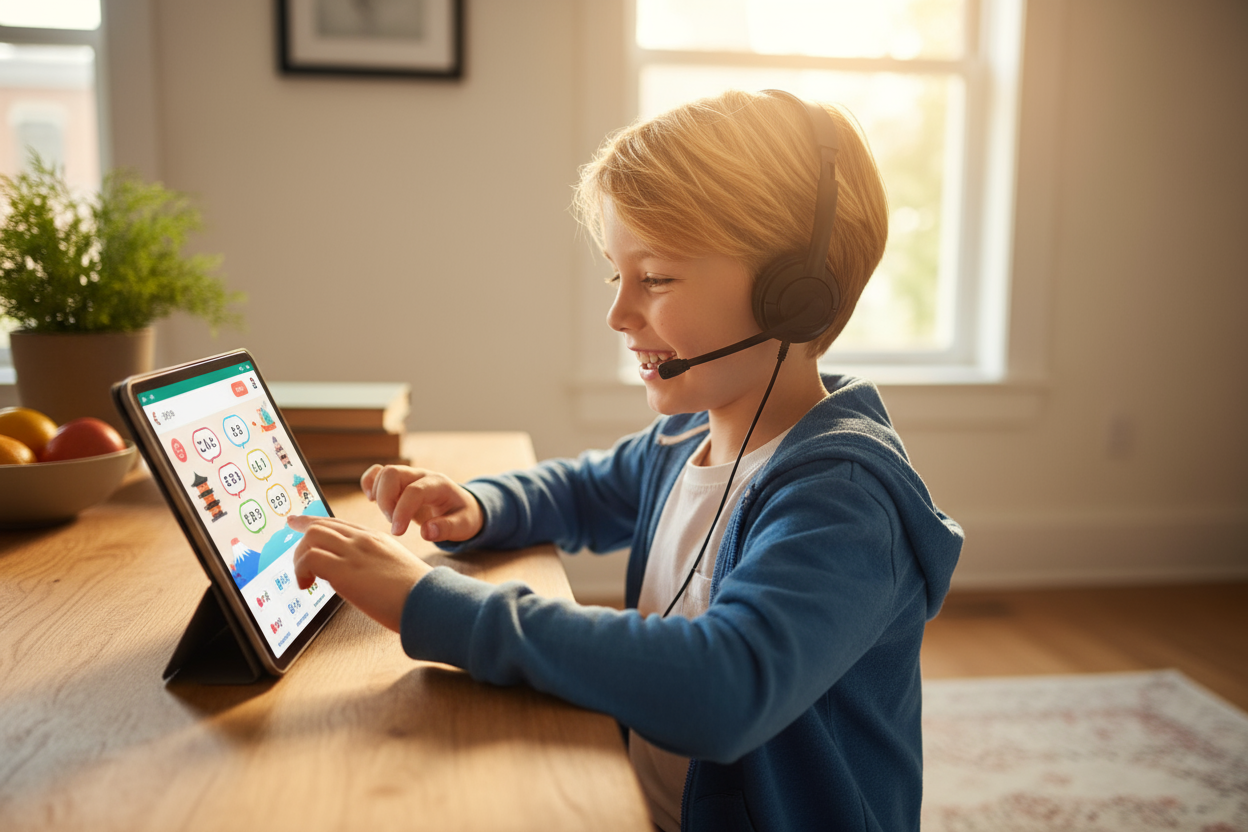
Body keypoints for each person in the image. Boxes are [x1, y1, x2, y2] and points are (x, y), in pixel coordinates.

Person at [287, 89, 963, 832]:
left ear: (793, 297)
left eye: (657, 278)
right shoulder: (685, 440)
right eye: (618, 275)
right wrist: (481, 505)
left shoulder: (844, 501)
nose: (617, 314)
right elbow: (584, 490)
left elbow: (724, 685)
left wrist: (430, 603)